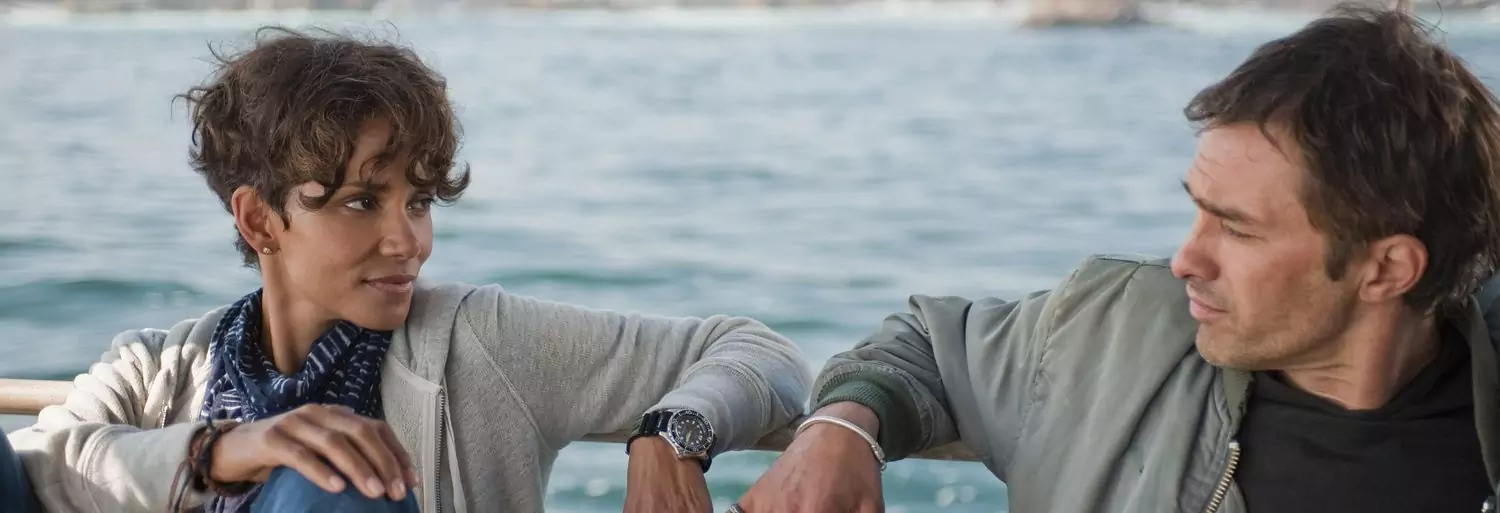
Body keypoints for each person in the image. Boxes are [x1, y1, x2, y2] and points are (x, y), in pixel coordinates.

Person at [5, 26, 812, 513]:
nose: (409, 241)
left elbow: (761, 352)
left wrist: (671, 433)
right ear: (258, 219)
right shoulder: (162, 364)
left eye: (418, 201)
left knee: (333, 480)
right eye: (362, 202)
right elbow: (43, 467)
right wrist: (226, 448)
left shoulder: (480, 342)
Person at [736, 5, 1500, 513]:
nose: (1185, 258)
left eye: (1236, 229)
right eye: (1197, 207)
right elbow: (925, 346)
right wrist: (843, 427)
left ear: (1386, 269)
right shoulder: (1113, 328)